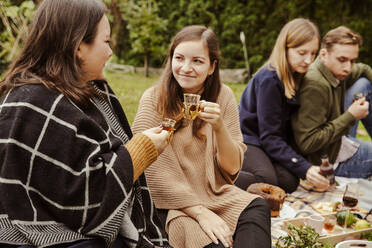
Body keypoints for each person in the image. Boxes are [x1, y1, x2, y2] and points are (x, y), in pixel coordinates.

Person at [0, 0, 171, 247]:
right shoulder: (32, 105)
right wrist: (141, 150)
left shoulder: (89, 92)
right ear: (79, 46)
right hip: (44, 236)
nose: (110, 52)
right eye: (106, 41)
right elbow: (85, 203)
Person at [132, 25, 271, 248]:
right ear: (171, 60)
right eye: (179, 58)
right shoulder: (153, 99)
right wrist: (201, 213)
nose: (186, 68)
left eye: (197, 61)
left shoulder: (223, 96)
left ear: (212, 66)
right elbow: (150, 172)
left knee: (258, 207)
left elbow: (233, 168)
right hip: (173, 203)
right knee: (213, 241)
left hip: (211, 192)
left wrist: (218, 127)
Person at [236, 18, 330, 193]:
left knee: (288, 181)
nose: (308, 60)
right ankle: (213, 177)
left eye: (313, 53)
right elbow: (269, 136)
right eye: (302, 52)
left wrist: (303, 166)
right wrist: (306, 168)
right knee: (266, 180)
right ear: (285, 48)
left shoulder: (298, 75)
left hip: (265, 141)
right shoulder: (269, 79)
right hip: (246, 138)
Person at [292, 26, 372, 179]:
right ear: (323, 54)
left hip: (337, 140)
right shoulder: (315, 86)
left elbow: (363, 68)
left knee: (363, 83)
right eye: (342, 60)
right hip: (326, 161)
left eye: (352, 60)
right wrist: (351, 116)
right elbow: (307, 143)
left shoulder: (336, 69)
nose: (348, 67)